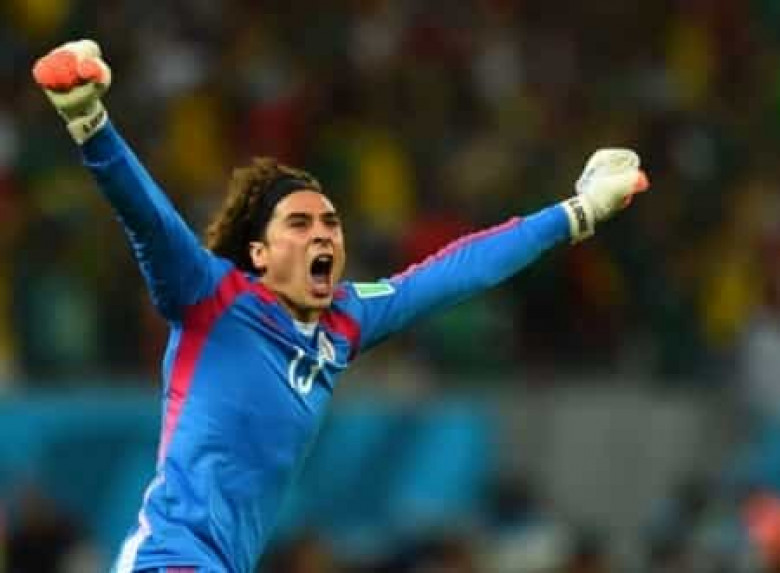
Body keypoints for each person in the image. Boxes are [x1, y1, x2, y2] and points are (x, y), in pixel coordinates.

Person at [32, 39, 650, 573]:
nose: (323, 235)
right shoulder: (213, 299)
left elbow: (456, 271)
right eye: (299, 224)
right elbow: (150, 222)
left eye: (330, 223)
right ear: (259, 253)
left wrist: (577, 212)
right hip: (170, 559)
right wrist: (90, 120)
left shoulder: (345, 322)